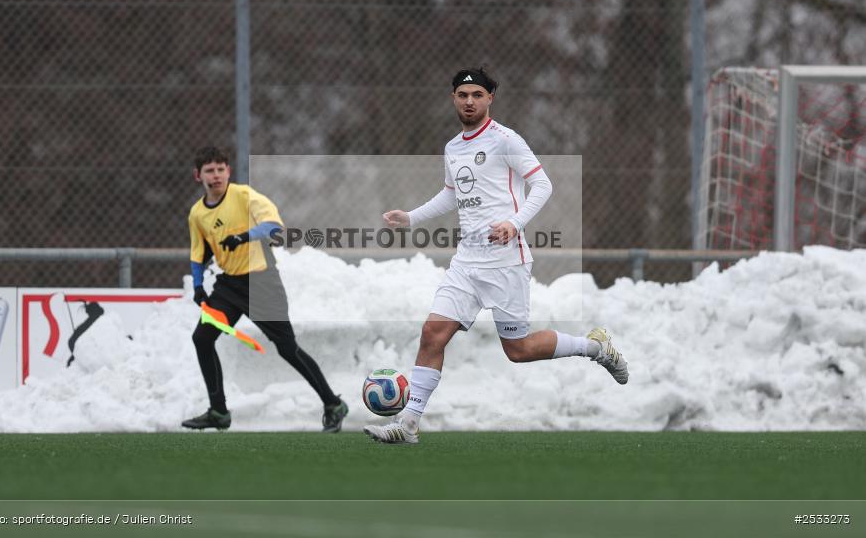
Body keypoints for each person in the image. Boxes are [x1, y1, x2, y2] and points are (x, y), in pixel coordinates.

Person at [363, 68, 628, 445]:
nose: (469, 101)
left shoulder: (506, 140)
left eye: (477, 94)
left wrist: (514, 223)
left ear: (490, 98)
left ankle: (595, 348)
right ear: (453, 99)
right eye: (462, 95)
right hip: (466, 264)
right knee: (432, 333)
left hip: (506, 262)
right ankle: (408, 423)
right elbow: (452, 194)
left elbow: (542, 184)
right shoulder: (453, 147)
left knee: (518, 350)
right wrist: (411, 217)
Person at [182, 146, 348, 432]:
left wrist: (243, 237)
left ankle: (333, 404)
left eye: (221, 169)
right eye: (209, 170)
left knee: (287, 349)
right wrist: (197, 286)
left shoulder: (244, 196)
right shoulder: (197, 213)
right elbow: (198, 254)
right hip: (229, 286)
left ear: (228, 171)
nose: (216, 175)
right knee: (202, 338)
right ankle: (218, 412)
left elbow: (273, 226)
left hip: (262, 283)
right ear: (198, 176)